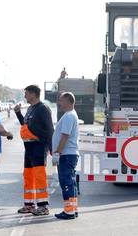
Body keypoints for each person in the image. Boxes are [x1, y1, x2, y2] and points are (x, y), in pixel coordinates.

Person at [14, 85, 54, 216]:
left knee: (39, 176)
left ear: (33, 94)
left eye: (26, 94)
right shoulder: (31, 108)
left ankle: (43, 206)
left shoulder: (43, 109)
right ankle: (29, 205)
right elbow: (25, 125)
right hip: (29, 148)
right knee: (28, 175)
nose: (25, 96)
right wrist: (18, 113)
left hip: (38, 146)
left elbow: (49, 130)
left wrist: (52, 148)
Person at [52, 92, 79, 220]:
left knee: (66, 182)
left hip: (66, 154)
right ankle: (72, 209)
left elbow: (65, 136)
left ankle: (69, 212)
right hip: (69, 154)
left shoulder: (68, 116)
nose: (59, 103)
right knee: (70, 182)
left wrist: (57, 152)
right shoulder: (70, 115)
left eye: (61, 101)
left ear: (69, 101)